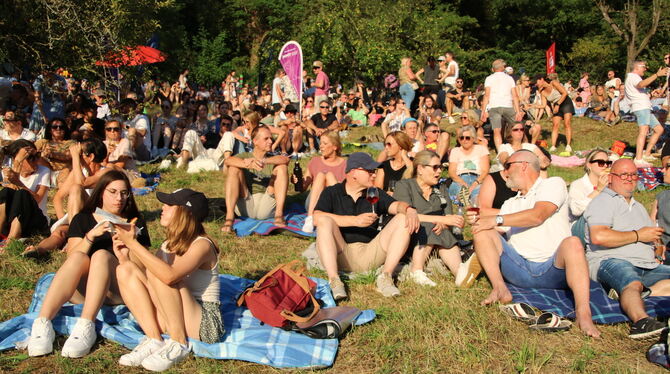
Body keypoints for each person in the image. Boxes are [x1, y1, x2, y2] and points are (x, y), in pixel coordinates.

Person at [470, 150, 600, 337]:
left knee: (573, 243)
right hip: (519, 269)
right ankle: (500, 288)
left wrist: (495, 219)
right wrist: (480, 222)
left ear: (524, 165)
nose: (504, 172)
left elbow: (538, 215)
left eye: (508, 166)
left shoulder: (553, 184)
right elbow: (494, 231)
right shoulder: (509, 204)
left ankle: (584, 314)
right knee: (482, 232)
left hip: (553, 268)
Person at [27, 171, 150, 358]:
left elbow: (142, 268)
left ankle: (86, 325)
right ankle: (42, 323)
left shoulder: (135, 222)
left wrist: (129, 242)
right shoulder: (83, 219)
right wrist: (91, 236)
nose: (119, 198)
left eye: (124, 193)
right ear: (101, 192)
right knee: (79, 257)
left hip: (117, 290)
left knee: (101, 255)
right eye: (113, 192)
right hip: (83, 290)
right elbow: (71, 258)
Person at [113, 189, 223, 370]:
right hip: (173, 311)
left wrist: (133, 243)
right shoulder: (168, 244)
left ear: (185, 213)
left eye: (169, 205)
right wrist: (125, 256)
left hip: (203, 323)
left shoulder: (202, 244)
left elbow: (168, 276)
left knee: (163, 274)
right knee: (125, 269)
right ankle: (154, 339)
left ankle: (179, 343)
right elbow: (148, 277)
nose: (162, 208)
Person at [313, 152, 420, 300]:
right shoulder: (332, 192)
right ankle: (335, 281)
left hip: (371, 252)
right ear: (354, 172)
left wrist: (409, 209)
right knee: (324, 220)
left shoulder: (374, 193)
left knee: (403, 218)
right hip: (341, 252)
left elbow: (396, 206)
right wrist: (354, 221)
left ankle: (385, 276)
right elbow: (316, 218)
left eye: (374, 171)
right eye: (370, 171)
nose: (374, 175)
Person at [584, 159, 669, 339]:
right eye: (623, 174)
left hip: (647, 265)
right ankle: (641, 322)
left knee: (642, 282)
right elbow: (599, 236)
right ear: (610, 178)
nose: (629, 179)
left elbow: (651, 235)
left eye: (633, 175)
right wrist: (639, 235)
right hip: (611, 261)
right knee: (631, 281)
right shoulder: (603, 202)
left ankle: (644, 293)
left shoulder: (638, 207)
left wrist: (658, 246)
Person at [394, 151, 472, 287]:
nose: (439, 171)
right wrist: (440, 220)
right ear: (420, 169)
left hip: (439, 236)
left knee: (439, 228)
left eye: (441, 167)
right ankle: (416, 271)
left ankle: (460, 273)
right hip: (408, 234)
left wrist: (444, 224)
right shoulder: (404, 186)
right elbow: (404, 216)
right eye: (435, 167)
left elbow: (449, 218)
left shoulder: (441, 188)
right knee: (429, 225)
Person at [221, 125, 289, 232]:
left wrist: (263, 161)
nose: (271, 141)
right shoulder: (245, 155)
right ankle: (229, 217)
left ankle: (279, 215)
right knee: (234, 169)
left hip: (266, 205)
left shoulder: (272, 159)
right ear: (255, 141)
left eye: (271, 138)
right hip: (246, 203)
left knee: (282, 167)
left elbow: (285, 159)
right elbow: (228, 161)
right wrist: (247, 164)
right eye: (266, 138)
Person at [0, 140, 50, 246]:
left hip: (35, 220)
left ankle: (11, 240)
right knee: (6, 191)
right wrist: (17, 164)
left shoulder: (44, 171)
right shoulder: (9, 171)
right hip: (10, 221)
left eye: (37, 155)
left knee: (22, 193)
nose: (36, 160)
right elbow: (9, 195)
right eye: (30, 158)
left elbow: (37, 199)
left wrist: (18, 182)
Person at [297, 131, 346, 233]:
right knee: (320, 175)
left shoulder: (345, 164)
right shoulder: (315, 161)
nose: (321, 147)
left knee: (329, 176)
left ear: (335, 147)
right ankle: (310, 218)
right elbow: (303, 188)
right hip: (313, 204)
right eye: (320, 143)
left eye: (325, 143)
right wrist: (298, 182)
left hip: (335, 203)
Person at [625, 61, 668, 166]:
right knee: (643, 132)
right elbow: (641, 84)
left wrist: (651, 94)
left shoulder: (634, 77)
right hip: (641, 108)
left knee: (659, 129)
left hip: (645, 107)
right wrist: (657, 75)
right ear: (636, 68)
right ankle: (638, 159)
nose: (645, 69)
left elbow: (639, 90)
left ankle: (647, 153)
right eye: (644, 67)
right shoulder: (633, 76)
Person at [568, 149, 611, 242]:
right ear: (589, 165)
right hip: (580, 229)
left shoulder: (611, 186)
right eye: (600, 162)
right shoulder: (578, 184)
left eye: (608, 163)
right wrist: (598, 190)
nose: (605, 166)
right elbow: (576, 210)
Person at [480, 59, 523, 150]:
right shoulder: (509, 78)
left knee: (496, 130)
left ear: (493, 69)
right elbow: (515, 96)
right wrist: (518, 111)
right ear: (503, 68)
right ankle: (518, 148)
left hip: (494, 106)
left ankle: (500, 151)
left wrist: (483, 111)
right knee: (516, 128)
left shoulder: (489, 78)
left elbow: (487, 95)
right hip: (507, 105)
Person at [532, 74, 575, 153]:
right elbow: (543, 105)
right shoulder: (541, 91)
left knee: (567, 123)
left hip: (565, 102)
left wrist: (558, 105)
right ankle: (553, 146)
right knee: (555, 125)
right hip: (556, 106)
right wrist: (532, 105)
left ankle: (568, 145)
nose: (536, 84)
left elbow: (565, 93)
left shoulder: (553, 83)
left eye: (536, 82)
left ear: (541, 79)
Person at [447, 125, 490, 202]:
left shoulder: (481, 149)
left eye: (467, 138)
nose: (464, 140)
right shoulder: (455, 151)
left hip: (477, 178)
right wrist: (463, 183)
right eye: (461, 138)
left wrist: (474, 185)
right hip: (460, 178)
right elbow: (452, 172)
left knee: (478, 192)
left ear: (473, 138)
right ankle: (464, 199)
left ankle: (474, 202)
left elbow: (485, 171)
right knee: (459, 191)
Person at [35, 117, 73, 187]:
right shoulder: (42, 142)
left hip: (64, 171)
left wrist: (53, 154)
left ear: (65, 129)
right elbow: (31, 153)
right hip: (46, 171)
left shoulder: (71, 143)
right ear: (50, 130)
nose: (58, 129)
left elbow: (71, 155)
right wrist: (41, 154)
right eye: (55, 127)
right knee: (39, 159)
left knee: (66, 171)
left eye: (61, 127)